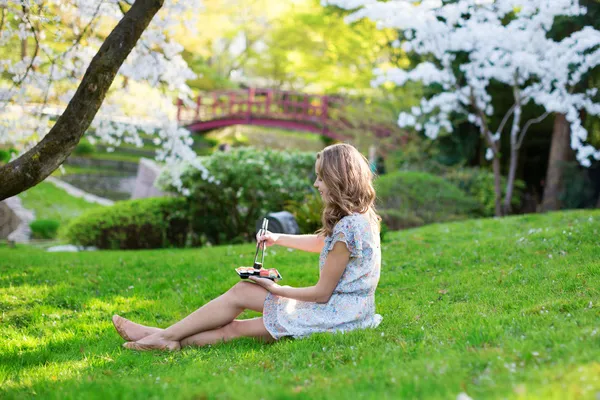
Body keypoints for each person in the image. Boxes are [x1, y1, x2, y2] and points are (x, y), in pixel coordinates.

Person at [112, 143, 383, 351]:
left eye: (321, 178)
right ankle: (162, 336)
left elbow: (322, 294)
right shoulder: (362, 218)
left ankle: (162, 336)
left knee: (240, 305)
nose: (316, 185)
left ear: (338, 179)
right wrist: (278, 238)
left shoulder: (349, 228)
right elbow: (321, 243)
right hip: (351, 314)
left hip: (332, 316)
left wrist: (276, 289)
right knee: (236, 318)